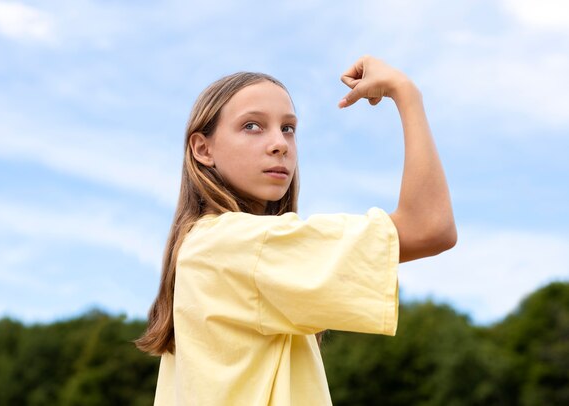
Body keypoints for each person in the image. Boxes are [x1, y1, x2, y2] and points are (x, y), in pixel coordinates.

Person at [136, 55, 457, 405]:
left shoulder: (206, 245)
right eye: (252, 126)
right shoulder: (235, 245)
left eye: (288, 128)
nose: (280, 143)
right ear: (203, 149)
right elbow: (430, 227)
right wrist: (406, 93)